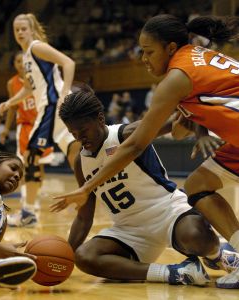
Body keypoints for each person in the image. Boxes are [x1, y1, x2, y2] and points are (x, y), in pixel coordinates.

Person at [48, 15, 239, 288]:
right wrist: (199, 130)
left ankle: (221, 255)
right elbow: (184, 123)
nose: (143, 59)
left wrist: (86, 187)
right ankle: (187, 268)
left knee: (196, 210)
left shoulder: (176, 78)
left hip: (167, 212)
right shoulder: (199, 57)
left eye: (149, 51)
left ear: (170, 48)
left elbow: (138, 143)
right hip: (131, 230)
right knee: (198, 185)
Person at [0, 13, 81, 227]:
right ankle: (90, 194)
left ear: (32, 30)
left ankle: (29, 213)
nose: (20, 33)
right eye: (16, 30)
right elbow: (28, 88)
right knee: (75, 153)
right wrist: (10, 103)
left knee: (31, 156)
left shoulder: (36, 47)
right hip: (51, 106)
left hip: (53, 105)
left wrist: (63, 94)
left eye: (24, 28)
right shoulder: (27, 56)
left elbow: (68, 62)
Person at [1, 51, 54, 225]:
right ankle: (27, 204)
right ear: (14, 64)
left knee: (40, 165)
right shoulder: (12, 83)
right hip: (24, 127)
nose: (20, 64)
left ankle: (33, 200)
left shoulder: (39, 79)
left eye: (22, 61)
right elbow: (12, 108)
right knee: (26, 166)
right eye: (16, 61)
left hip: (41, 126)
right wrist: (6, 128)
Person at [0, 152, 36, 291]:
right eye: (13, 168)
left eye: (19, 177)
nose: (17, 176)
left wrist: (5, 252)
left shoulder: (2, 215)